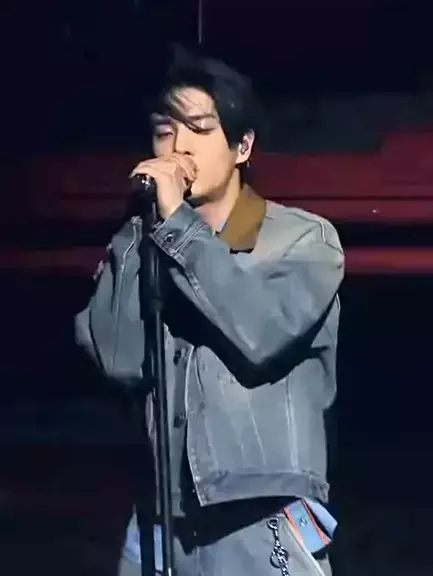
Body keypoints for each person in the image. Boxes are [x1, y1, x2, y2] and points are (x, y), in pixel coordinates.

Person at [75, 46, 344, 576]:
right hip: (162, 518)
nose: (179, 148)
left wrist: (179, 226)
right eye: (164, 132)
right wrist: (137, 233)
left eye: (199, 129)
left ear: (242, 146)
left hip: (261, 514)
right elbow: (118, 359)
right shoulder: (147, 240)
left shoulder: (301, 239)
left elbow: (261, 331)